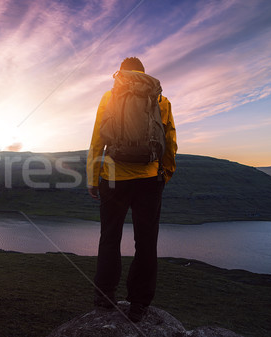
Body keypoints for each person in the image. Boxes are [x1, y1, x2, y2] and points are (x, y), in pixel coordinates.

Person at [86, 57, 177, 322]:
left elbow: (97, 140)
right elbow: (170, 139)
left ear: (121, 73)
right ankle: (139, 305)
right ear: (143, 74)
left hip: (113, 178)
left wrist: (93, 179)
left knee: (110, 237)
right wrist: (165, 173)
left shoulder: (109, 96)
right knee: (146, 243)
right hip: (149, 179)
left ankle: (104, 298)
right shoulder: (161, 100)